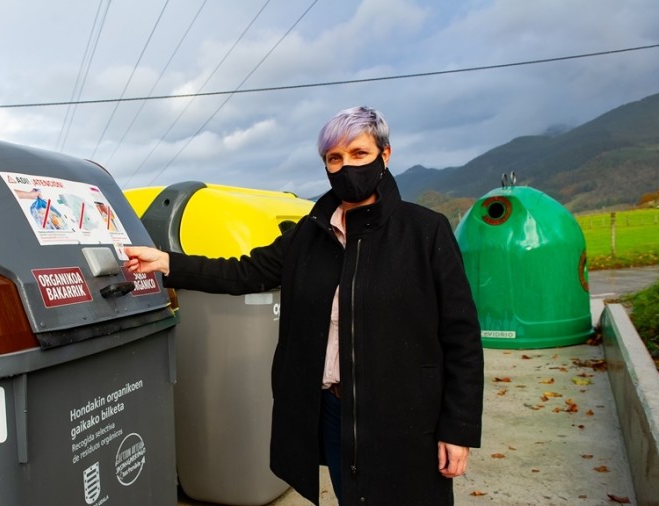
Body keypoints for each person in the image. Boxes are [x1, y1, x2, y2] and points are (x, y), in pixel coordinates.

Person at [124, 106, 483, 505]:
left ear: (385, 155)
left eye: (358, 154)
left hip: (406, 418)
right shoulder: (310, 234)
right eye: (334, 158)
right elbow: (246, 271)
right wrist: (168, 263)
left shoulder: (425, 232)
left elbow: (461, 336)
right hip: (333, 411)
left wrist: (458, 428)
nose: (346, 166)